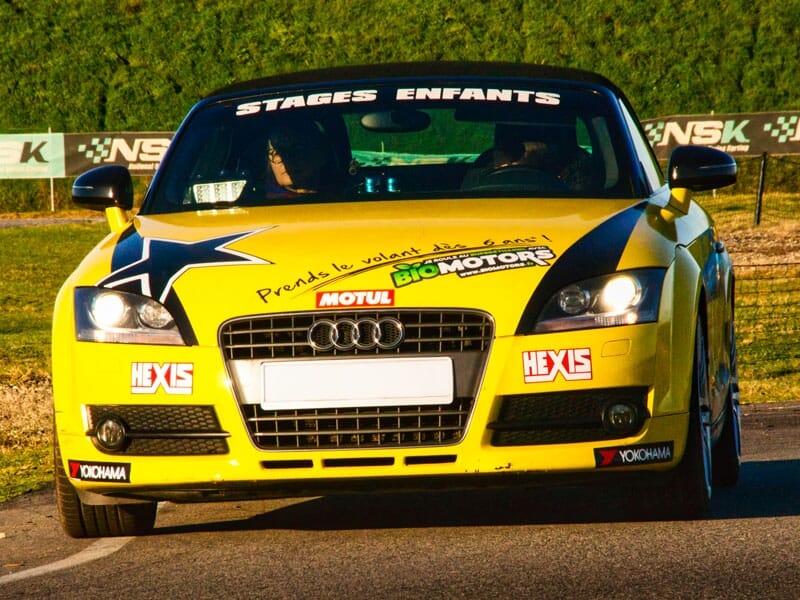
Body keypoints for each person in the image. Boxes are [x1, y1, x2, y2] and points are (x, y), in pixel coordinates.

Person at [266, 119, 340, 195]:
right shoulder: (258, 201)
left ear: (321, 153)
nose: (286, 159)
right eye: (277, 152)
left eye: (295, 150)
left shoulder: (345, 196)